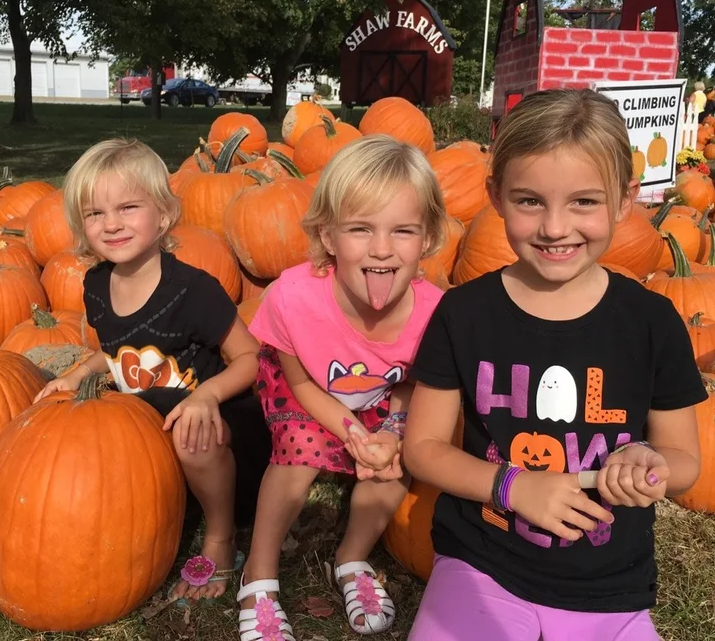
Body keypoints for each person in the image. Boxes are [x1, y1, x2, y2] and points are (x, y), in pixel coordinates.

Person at [403, 89, 705, 641]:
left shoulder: (651, 322)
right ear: (495, 196)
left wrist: (649, 463)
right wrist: (511, 486)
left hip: (608, 585)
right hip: (483, 566)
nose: (555, 227)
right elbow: (422, 449)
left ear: (624, 200)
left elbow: (685, 462)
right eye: (530, 201)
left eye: (584, 202)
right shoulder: (464, 313)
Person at [34, 138, 270, 604]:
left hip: (218, 433)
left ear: (162, 215)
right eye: (95, 213)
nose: (112, 224)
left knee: (190, 432)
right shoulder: (96, 285)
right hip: (149, 427)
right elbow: (116, 352)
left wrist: (207, 397)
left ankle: (221, 535)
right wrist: (79, 373)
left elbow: (250, 358)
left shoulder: (193, 291)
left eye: (127, 207)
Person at [237, 135, 447, 640]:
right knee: (301, 451)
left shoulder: (436, 313)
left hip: (381, 398)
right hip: (303, 385)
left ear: (428, 238)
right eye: (360, 229)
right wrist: (351, 430)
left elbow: (413, 384)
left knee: (397, 464)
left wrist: (393, 432)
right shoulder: (293, 297)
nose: (381, 249)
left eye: (402, 231)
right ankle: (258, 575)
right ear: (328, 237)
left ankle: (351, 558)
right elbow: (302, 382)